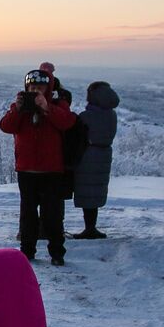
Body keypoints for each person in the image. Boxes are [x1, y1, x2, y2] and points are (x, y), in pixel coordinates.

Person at [0, 69, 76, 265]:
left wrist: (47, 108)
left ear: (48, 88)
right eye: (31, 87)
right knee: (28, 214)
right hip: (26, 169)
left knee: (53, 215)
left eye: (39, 87)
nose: (35, 90)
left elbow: (67, 122)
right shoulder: (21, 108)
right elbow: (6, 126)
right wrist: (17, 108)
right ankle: (27, 251)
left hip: (52, 170)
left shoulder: (58, 105)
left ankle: (57, 253)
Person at [71, 81, 120, 238]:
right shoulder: (111, 115)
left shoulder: (87, 116)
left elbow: (76, 135)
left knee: (87, 190)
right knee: (95, 190)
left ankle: (89, 228)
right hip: (104, 154)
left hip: (87, 156)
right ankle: (92, 227)